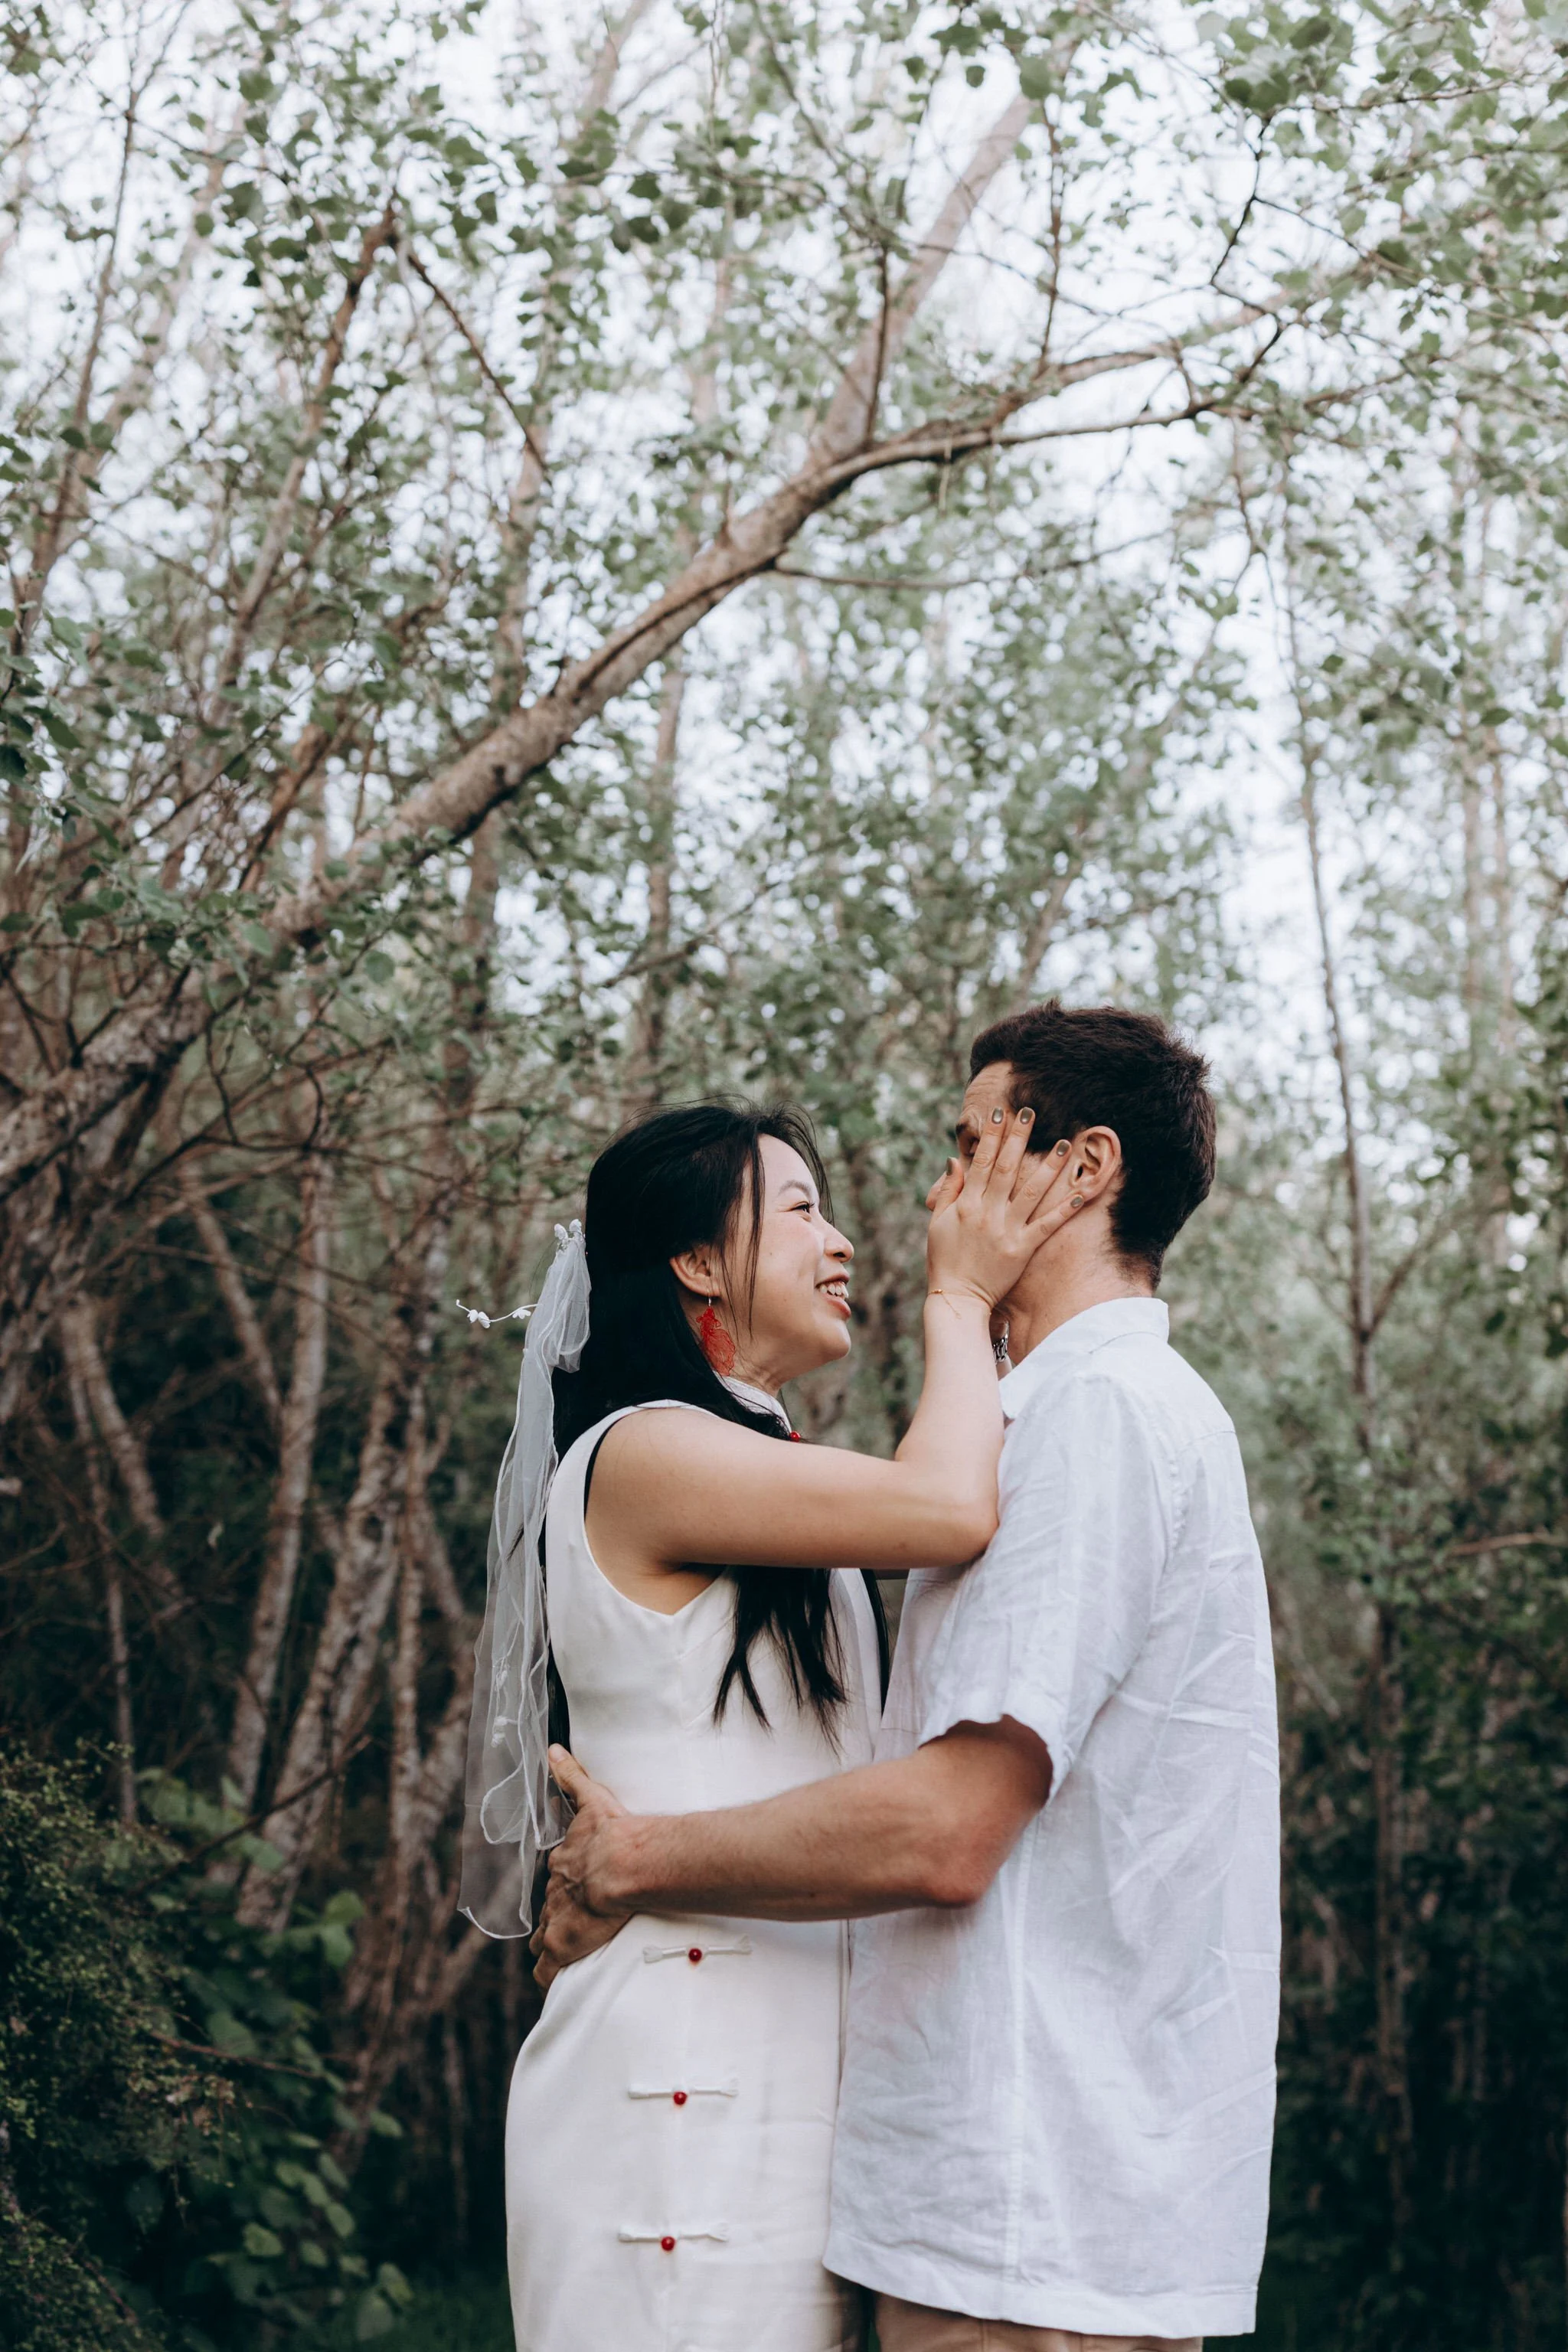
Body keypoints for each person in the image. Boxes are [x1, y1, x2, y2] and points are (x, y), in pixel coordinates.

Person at [535, 1003, 1282, 2352]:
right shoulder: (1025, 1426)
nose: (935, 1197)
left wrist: (636, 1860)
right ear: (697, 1265)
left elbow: (946, 1826)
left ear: (1081, 1167)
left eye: (966, 1146)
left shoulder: (1096, 1416)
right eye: (803, 1211)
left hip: (1026, 2203)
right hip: (922, 2168)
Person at [462, 1095, 1085, 2352]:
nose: (842, 1239)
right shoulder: (643, 1456)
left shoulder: (755, 1470)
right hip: (670, 2089)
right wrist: (961, 1300)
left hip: (796, 2092)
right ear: (697, 1259)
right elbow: (949, 1508)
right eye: (800, 1208)